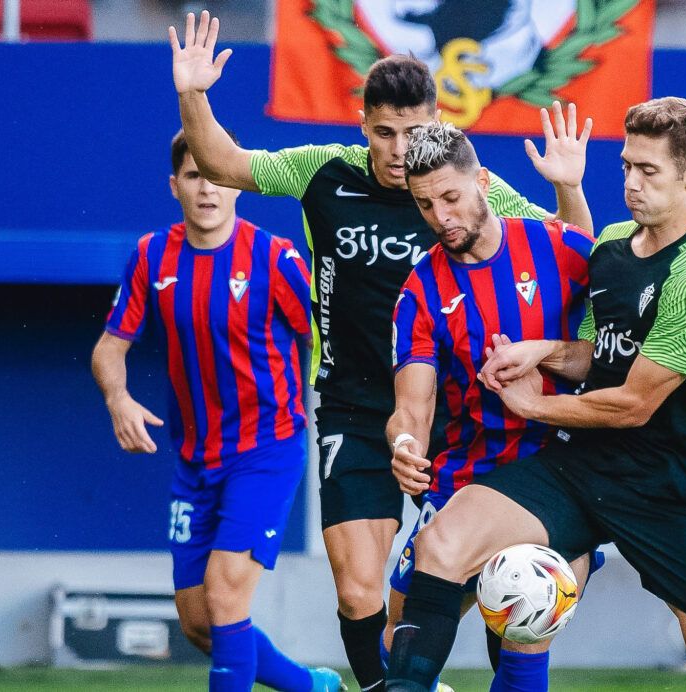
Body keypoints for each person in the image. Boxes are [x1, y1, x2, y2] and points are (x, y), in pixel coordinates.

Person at [169, 12, 593, 690]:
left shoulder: (471, 188)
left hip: (454, 414)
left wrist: (568, 186)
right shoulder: (323, 172)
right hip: (358, 410)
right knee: (360, 592)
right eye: (384, 132)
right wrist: (194, 94)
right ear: (361, 124)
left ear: (438, 125)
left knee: (493, 602)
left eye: (414, 132)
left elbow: (566, 255)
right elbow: (223, 162)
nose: (400, 149)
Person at [383, 97, 686, 692]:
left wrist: (532, 404)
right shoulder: (617, 245)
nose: (631, 183)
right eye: (625, 166)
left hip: (660, 486)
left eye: (648, 171)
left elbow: (632, 402)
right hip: (581, 465)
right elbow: (599, 357)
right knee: (440, 545)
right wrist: (541, 350)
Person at [91, 129, 343, 692]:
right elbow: (110, 347)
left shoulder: (274, 259)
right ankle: (313, 687)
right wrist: (119, 398)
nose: (207, 188)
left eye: (215, 176)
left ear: (236, 182)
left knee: (227, 595)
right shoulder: (152, 255)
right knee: (200, 622)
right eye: (193, 176)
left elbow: (327, 340)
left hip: (267, 451)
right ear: (174, 186)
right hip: (195, 462)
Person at [386, 121, 600, 691]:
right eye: (425, 204)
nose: (441, 216)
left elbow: (606, 349)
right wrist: (405, 443)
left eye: (451, 197)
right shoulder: (421, 290)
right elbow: (412, 404)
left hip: (557, 470)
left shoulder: (554, 245)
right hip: (465, 475)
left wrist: (546, 356)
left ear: (482, 181)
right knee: (395, 638)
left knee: (525, 615)